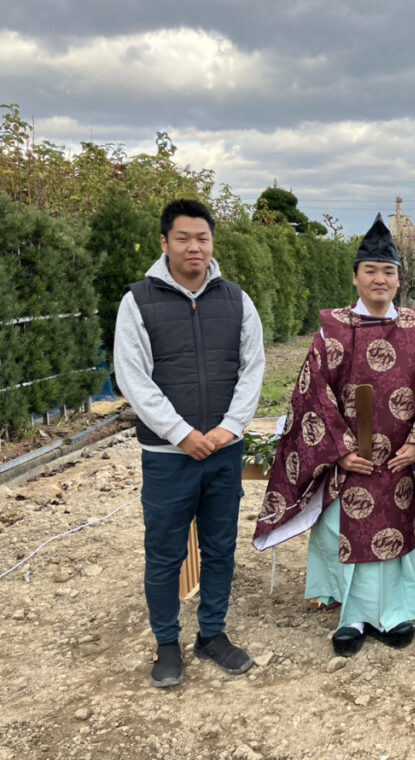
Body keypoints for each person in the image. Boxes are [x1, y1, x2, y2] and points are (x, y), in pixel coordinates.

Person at [253, 214, 415, 657]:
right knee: (344, 530)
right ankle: (353, 617)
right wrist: (337, 452)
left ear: (399, 280)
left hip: (399, 456)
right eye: (371, 271)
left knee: (398, 530)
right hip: (349, 459)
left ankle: (397, 612)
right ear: (356, 277)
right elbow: (312, 395)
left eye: (389, 271)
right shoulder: (332, 329)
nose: (380, 279)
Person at [113, 198, 265, 687]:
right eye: (183, 238)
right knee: (165, 553)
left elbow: (253, 368)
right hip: (167, 456)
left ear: (212, 242)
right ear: (165, 242)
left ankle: (212, 634)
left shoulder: (237, 300)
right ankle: (165, 643)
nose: (194, 247)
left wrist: (229, 427)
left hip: (223, 450)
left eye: (202, 238)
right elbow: (132, 377)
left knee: (220, 548)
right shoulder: (138, 301)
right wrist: (180, 433)